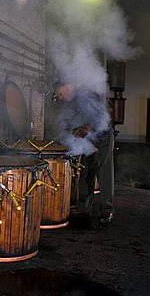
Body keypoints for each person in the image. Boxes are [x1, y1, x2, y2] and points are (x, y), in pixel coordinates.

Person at [54, 81, 114, 223]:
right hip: (87, 140)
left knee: (103, 173)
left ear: (68, 87)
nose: (60, 97)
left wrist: (88, 127)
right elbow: (70, 123)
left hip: (102, 137)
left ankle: (107, 210)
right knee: (86, 172)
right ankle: (84, 207)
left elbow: (102, 116)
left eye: (61, 93)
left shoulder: (85, 95)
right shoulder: (69, 103)